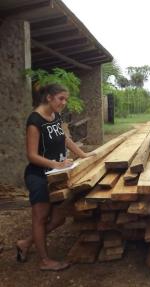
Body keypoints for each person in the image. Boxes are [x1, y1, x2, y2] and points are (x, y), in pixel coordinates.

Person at [16, 83, 93, 271]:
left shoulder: (55, 116)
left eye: (65, 99)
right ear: (49, 97)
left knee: (58, 218)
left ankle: (25, 243)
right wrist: (55, 164)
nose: (64, 103)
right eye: (61, 98)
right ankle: (45, 261)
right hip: (39, 176)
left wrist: (83, 155)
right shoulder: (35, 120)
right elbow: (31, 155)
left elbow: (65, 139)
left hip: (57, 175)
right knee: (40, 217)